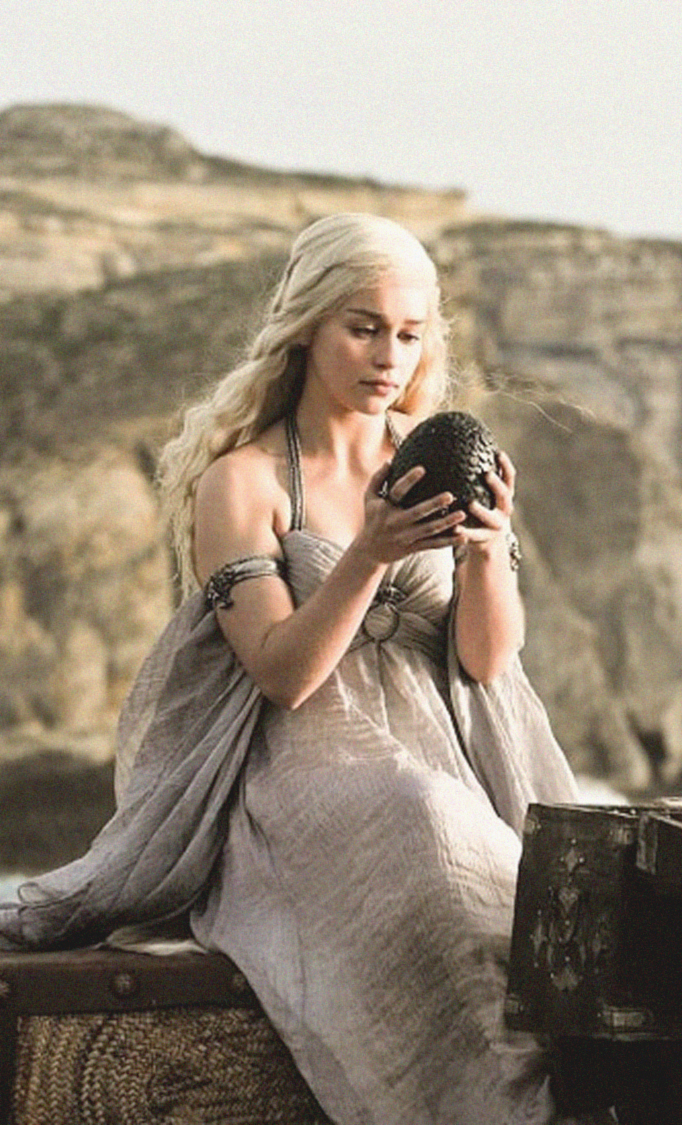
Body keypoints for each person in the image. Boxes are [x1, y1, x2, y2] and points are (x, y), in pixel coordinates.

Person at [0, 213, 583, 1124]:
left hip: (442, 763)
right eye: (364, 327)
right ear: (308, 325)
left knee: (500, 877)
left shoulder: (434, 456)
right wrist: (370, 553)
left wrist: (485, 551)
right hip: (304, 772)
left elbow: (485, 659)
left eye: (409, 334)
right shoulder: (244, 482)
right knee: (424, 821)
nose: (388, 356)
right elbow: (283, 674)